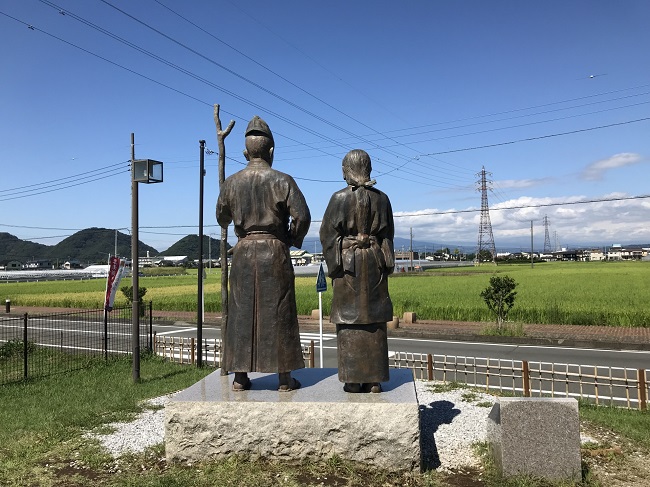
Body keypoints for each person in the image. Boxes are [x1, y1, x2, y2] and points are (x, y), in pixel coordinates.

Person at [216, 115, 311, 392]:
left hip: (244, 251)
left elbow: (221, 217)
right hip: (274, 250)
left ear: (246, 153)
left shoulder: (232, 182)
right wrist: (293, 239)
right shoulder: (283, 180)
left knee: (241, 311)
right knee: (280, 310)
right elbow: (302, 216)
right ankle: (284, 378)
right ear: (271, 151)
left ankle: (240, 377)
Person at [319, 149, 395, 393]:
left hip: (348, 263)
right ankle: (375, 379)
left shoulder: (338, 198)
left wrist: (337, 259)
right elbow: (388, 235)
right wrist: (386, 261)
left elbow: (327, 235)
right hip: (374, 262)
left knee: (349, 319)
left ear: (345, 171)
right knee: (374, 319)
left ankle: (352, 380)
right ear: (369, 169)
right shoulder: (382, 198)